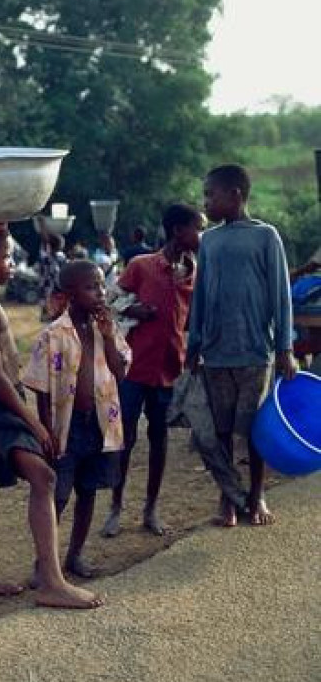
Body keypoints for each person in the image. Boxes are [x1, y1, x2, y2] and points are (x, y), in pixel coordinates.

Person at [0, 228, 102, 609]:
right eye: (5, 257)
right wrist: (34, 423)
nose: (12, 265)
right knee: (44, 476)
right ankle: (52, 581)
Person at [186, 163, 297, 528]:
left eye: (210, 195)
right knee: (219, 431)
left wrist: (284, 348)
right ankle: (229, 499)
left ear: (235, 195)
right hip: (216, 352)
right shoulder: (211, 240)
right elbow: (200, 294)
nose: (206, 202)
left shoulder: (266, 236)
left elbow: (281, 295)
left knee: (253, 429)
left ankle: (257, 494)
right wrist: (194, 341)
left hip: (254, 351)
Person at [23, 260, 130, 578]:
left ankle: (75, 554)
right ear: (70, 293)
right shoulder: (53, 334)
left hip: (101, 423)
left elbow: (120, 372)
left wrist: (110, 337)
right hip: (66, 428)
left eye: (101, 285)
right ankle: (45, 563)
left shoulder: (107, 328)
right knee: (58, 495)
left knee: (89, 490)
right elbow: (41, 388)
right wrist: (45, 430)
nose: (99, 292)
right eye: (90, 287)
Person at [102, 203, 203, 538]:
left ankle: (151, 508)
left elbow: (192, 319)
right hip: (134, 368)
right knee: (125, 438)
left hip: (169, 369)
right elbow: (109, 299)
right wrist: (135, 309)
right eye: (196, 228)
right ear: (178, 231)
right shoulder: (141, 266)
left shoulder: (195, 271)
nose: (201, 235)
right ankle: (116, 507)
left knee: (159, 439)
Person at [37, 232, 66, 321]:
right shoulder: (62, 258)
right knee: (58, 318)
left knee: (49, 319)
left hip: (48, 291)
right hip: (59, 291)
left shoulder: (45, 259)